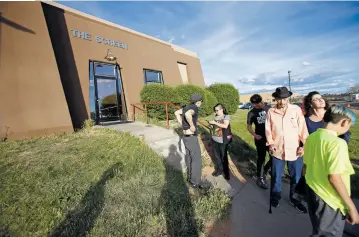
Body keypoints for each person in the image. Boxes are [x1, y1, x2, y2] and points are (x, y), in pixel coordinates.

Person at [304, 105, 359, 236]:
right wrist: (351, 207)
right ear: (344, 122)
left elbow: (306, 166)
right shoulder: (337, 143)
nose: (347, 129)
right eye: (349, 125)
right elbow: (334, 178)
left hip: (313, 192)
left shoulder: (312, 137)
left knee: (318, 230)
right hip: (330, 200)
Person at [265, 87, 308, 213]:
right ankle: (275, 197)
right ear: (276, 99)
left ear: (288, 98)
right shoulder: (271, 111)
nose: (282, 102)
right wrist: (270, 143)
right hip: (277, 149)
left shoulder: (296, 110)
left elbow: (303, 129)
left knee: (296, 177)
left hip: (295, 150)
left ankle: (294, 199)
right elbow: (268, 129)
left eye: (284, 99)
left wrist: (304, 145)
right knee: (276, 176)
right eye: (279, 99)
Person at [174, 94, 203, 188]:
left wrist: (182, 124)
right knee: (197, 158)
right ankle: (195, 182)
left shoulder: (186, 107)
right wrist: (191, 125)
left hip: (186, 136)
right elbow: (187, 114)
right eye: (201, 102)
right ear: (198, 101)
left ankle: (190, 178)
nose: (201, 103)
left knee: (190, 157)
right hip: (191, 136)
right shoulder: (194, 107)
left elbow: (176, 113)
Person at [247, 94, 271, 189]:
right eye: (256, 105)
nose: (260, 105)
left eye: (260, 103)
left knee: (274, 157)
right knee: (261, 158)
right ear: (253, 104)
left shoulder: (269, 109)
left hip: (271, 139)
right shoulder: (251, 113)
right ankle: (260, 177)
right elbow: (249, 127)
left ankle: (265, 170)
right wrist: (255, 135)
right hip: (260, 139)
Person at [208, 104, 232, 180]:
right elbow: (214, 127)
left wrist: (215, 123)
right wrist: (211, 125)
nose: (216, 111)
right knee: (217, 156)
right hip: (215, 139)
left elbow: (225, 125)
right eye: (215, 110)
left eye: (217, 110)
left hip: (223, 140)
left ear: (222, 109)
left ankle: (227, 173)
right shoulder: (215, 116)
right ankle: (219, 170)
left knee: (223, 157)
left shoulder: (226, 116)